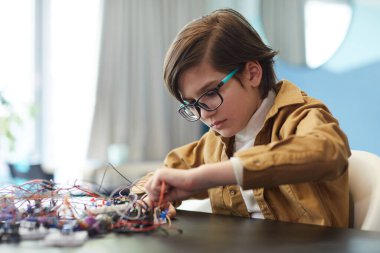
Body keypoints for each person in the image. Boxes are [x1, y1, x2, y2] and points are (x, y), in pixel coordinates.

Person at [133, 8, 350, 227]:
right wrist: (149, 198)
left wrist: (216, 175)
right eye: (191, 104)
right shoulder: (215, 142)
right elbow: (168, 170)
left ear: (252, 73)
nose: (205, 113)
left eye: (210, 92)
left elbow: (328, 150)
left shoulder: (301, 116)